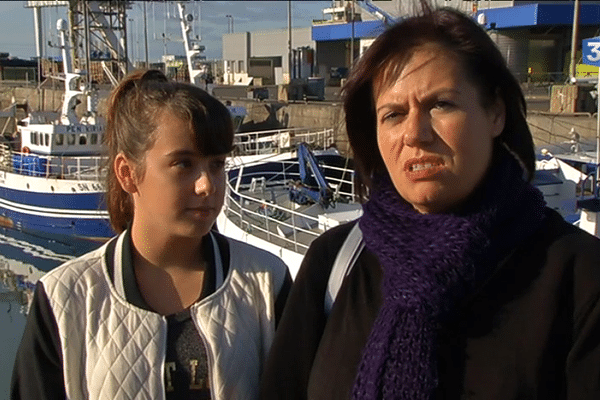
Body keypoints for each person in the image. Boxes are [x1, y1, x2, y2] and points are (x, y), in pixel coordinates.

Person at [260, 4, 600, 400]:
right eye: (393, 114)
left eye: (441, 104)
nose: (415, 133)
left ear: (495, 113)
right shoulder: (334, 262)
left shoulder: (580, 276)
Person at [11, 69, 291, 400]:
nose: (207, 186)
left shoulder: (266, 282)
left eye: (216, 165)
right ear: (128, 173)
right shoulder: (64, 299)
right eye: (184, 164)